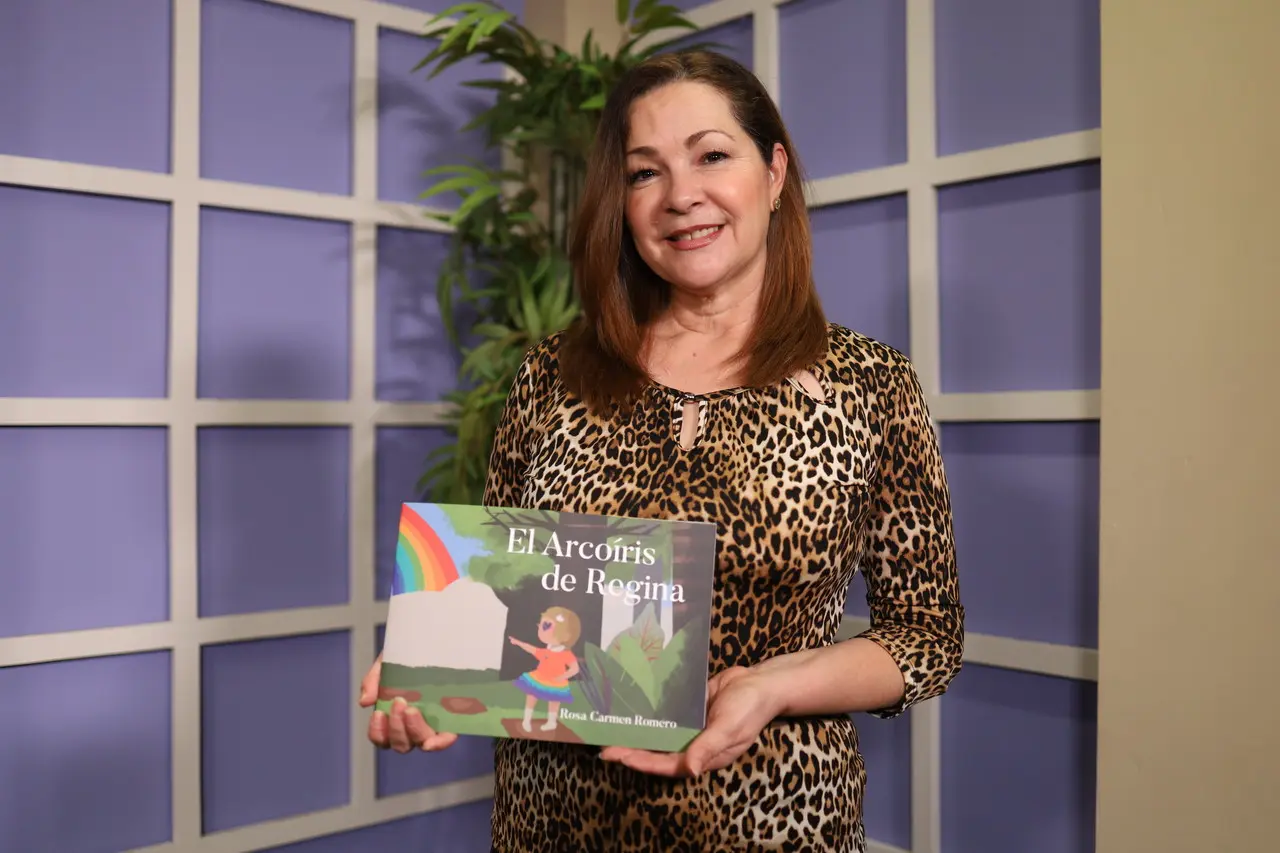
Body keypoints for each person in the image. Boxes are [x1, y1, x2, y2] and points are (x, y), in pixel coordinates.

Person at [359, 49, 964, 852]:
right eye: (645, 173)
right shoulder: (552, 372)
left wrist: (773, 685)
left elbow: (928, 634)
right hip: (556, 824)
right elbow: (501, 587)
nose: (682, 196)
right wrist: (430, 669)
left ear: (774, 172)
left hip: (773, 825)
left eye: (712, 154)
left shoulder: (872, 386)